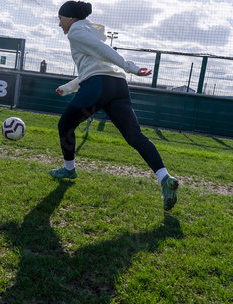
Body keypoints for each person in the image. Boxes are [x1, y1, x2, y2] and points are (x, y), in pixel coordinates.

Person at [50, 0, 179, 211]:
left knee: (65, 126)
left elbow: (103, 51)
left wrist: (130, 67)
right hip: (117, 86)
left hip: (99, 85)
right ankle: (165, 178)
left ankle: (69, 169)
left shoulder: (75, 32)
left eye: (60, 19)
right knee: (135, 137)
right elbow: (94, 67)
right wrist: (69, 87)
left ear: (71, 18)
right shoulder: (87, 32)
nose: (59, 24)